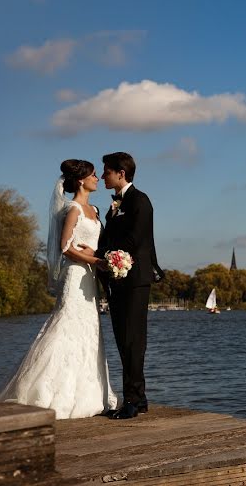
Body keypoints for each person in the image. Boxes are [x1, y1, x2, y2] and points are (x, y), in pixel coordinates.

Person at [0, 160, 118, 419]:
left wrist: (102, 257)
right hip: (76, 276)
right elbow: (65, 247)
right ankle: (47, 393)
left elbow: (93, 244)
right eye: (93, 175)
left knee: (88, 330)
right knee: (66, 326)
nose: (97, 178)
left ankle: (89, 393)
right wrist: (95, 261)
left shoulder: (94, 209)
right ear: (82, 180)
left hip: (90, 279)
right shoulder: (73, 208)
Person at [88, 152, 163, 420]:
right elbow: (111, 237)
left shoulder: (139, 201)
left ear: (121, 173)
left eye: (106, 171)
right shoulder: (117, 204)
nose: (104, 176)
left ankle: (132, 401)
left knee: (133, 340)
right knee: (124, 339)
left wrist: (105, 258)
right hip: (119, 278)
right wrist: (95, 254)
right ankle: (139, 398)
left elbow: (134, 240)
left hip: (135, 279)